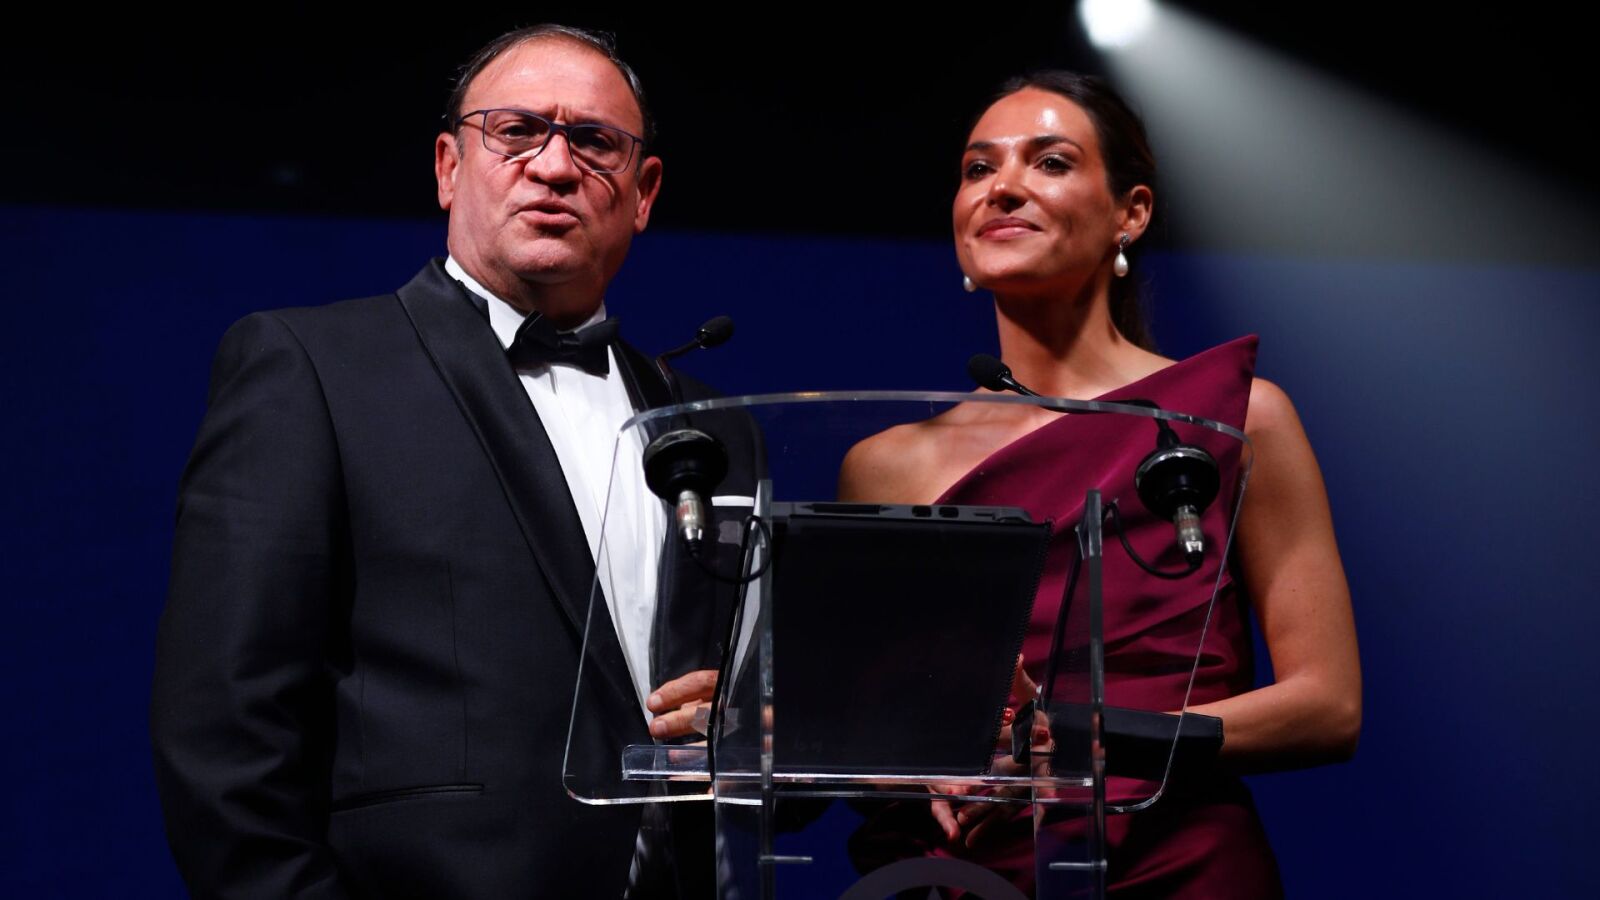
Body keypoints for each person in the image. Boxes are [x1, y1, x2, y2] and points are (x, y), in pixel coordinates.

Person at [151, 25, 752, 899]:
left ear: (644, 191)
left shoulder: (710, 431)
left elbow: (750, 739)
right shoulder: (311, 368)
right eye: (517, 131)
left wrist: (753, 727)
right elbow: (224, 729)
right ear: (448, 166)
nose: (554, 166)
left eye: (594, 142)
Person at [838, 72, 1361, 897]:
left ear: (1132, 212)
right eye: (978, 169)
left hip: (1178, 863)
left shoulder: (1239, 419)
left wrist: (1091, 738)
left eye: (1049, 162)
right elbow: (871, 723)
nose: (1003, 187)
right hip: (968, 875)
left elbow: (1327, 707)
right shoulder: (885, 465)